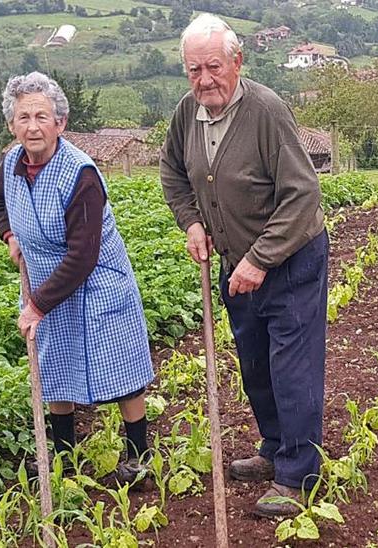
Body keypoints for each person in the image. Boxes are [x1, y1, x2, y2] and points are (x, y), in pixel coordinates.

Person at [160, 13, 329, 518]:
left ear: (237, 61)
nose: (205, 79)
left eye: (214, 66)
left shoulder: (266, 110)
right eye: (194, 70)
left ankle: (299, 476)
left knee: (291, 369)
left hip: (290, 260)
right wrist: (191, 222)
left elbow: (302, 195)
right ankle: (275, 447)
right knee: (255, 365)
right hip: (237, 265)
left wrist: (260, 259)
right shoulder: (186, 114)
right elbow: (172, 169)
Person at [0, 72, 154, 485]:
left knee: (122, 370)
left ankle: (139, 460)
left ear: (60, 123)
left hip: (98, 283)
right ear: (12, 124)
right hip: (45, 280)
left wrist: (37, 306)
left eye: (42, 116)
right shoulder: (11, 164)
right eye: (23, 117)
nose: (33, 126)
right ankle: (61, 453)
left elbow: (83, 256)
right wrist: (9, 234)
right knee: (55, 365)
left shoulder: (80, 174)